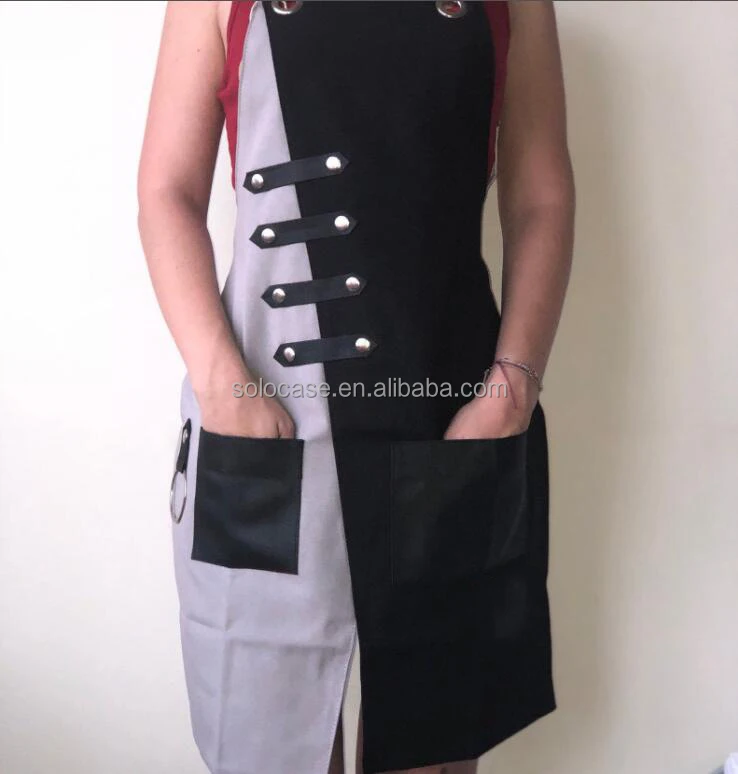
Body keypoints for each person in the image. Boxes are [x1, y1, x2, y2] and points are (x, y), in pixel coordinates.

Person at [137, 1, 574, 773]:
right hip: (269, 416)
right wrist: (221, 383)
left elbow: (541, 196)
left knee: (435, 742)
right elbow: (166, 190)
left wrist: (512, 387)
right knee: (270, 745)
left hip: (451, 422)